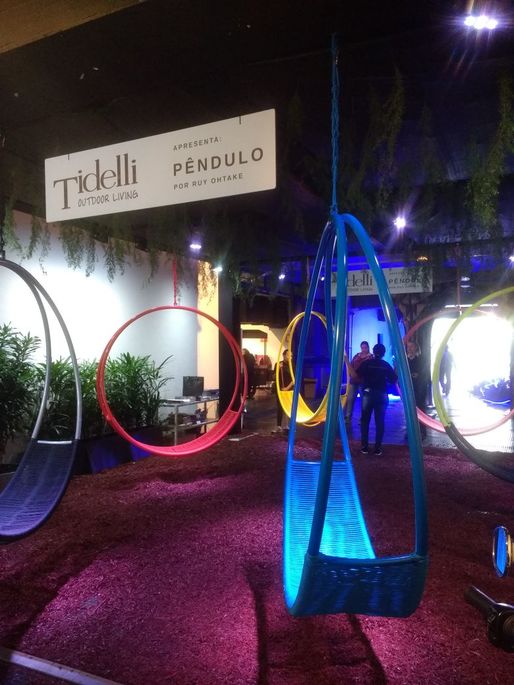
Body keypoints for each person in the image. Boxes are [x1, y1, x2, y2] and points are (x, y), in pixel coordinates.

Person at [354, 343, 398, 456]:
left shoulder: (367, 363)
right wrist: (396, 367)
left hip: (368, 393)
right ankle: (377, 448)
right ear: (384, 353)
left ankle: (364, 447)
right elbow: (393, 379)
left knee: (365, 420)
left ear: (373, 351)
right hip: (381, 394)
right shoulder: (385, 365)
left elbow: (356, 375)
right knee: (380, 421)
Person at [344, 341, 373, 423]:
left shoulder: (370, 357)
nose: (364, 349)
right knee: (350, 399)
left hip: (363, 381)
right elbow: (351, 365)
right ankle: (348, 417)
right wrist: (350, 375)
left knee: (363, 400)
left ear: (368, 347)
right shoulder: (357, 356)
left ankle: (362, 418)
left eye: (365, 347)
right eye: (362, 347)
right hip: (354, 380)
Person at [406, 340, 428, 438]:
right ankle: (411, 431)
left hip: (419, 389)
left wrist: (417, 375)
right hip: (408, 389)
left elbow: (424, 373)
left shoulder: (421, 359)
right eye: (408, 347)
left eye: (411, 346)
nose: (409, 349)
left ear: (416, 348)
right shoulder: (405, 360)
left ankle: (422, 431)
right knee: (409, 410)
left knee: (420, 410)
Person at [273, 349, 293, 432]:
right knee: (280, 407)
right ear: (284, 355)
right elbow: (274, 377)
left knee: (288, 407)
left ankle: (287, 425)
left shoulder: (292, 365)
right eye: (288, 355)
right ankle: (278, 426)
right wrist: (278, 369)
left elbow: (294, 379)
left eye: (291, 355)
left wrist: (287, 388)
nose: (290, 357)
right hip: (280, 389)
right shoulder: (278, 364)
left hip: (289, 390)